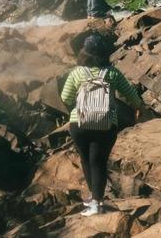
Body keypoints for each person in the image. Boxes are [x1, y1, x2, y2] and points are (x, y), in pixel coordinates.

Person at [60, 34, 144, 216]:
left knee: (85, 159)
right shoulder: (112, 73)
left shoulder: (77, 73)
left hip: (79, 123)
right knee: (98, 162)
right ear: (104, 53)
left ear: (84, 52)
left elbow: (65, 97)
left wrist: (78, 107)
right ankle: (97, 202)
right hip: (106, 124)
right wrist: (138, 107)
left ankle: (93, 199)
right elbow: (131, 95)